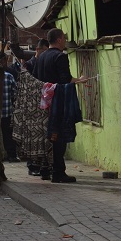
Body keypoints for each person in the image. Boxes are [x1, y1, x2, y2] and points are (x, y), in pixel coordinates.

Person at [32, 28, 90, 183]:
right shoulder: (60, 57)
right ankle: (58, 172)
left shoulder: (41, 57)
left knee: (46, 137)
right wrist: (80, 80)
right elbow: (65, 80)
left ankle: (45, 170)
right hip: (58, 103)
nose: (65, 41)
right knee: (59, 137)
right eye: (64, 38)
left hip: (43, 103)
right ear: (58, 40)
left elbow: (36, 78)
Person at [1, 63, 19, 162]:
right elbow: (15, 94)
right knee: (8, 135)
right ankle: (11, 155)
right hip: (6, 112)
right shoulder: (8, 76)